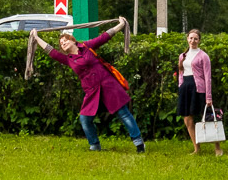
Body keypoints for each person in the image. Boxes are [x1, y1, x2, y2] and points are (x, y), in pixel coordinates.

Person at [31, 17, 144, 153]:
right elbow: (51, 51)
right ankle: (95, 145)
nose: (63, 43)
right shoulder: (68, 59)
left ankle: (139, 144)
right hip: (91, 91)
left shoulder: (87, 46)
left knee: (123, 114)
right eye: (61, 43)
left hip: (108, 85)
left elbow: (105, 36)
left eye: (65, 40)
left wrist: (121, 25)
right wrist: (36, 38)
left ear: (73, 40)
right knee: (85, 119)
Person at [175, 29, 222, 156]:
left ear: (199, 40)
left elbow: (207, 77)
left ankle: (217, 147)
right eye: (191, 38)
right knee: (187, 118)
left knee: (208, 117)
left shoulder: (203, 56)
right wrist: (181, 85)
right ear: (187, 39)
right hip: (186, 88)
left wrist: (208, 96)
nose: (193, 41)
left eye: (195, 39)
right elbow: (181, 72)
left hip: (199, 89)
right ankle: (197, 148)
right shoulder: (182, 56)